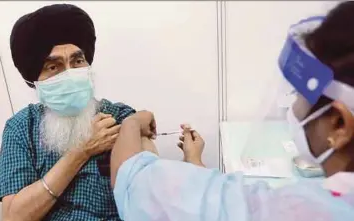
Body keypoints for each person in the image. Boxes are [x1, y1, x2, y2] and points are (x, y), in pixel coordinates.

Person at [110, 2, 354, 221]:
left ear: (339, 124)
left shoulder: (297, 210)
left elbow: (134, 181)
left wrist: (133, 121)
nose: (294, 107)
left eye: (300, 94)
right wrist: (194, 161)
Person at [0, 4, 138, 221]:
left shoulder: (120, 116)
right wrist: (82, 151)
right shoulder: (21, 126)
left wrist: (140, 122)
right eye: (54, 67)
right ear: (35, 81)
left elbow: (149, 193)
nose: (70, 74)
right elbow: (13, 217)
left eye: (77, 61)